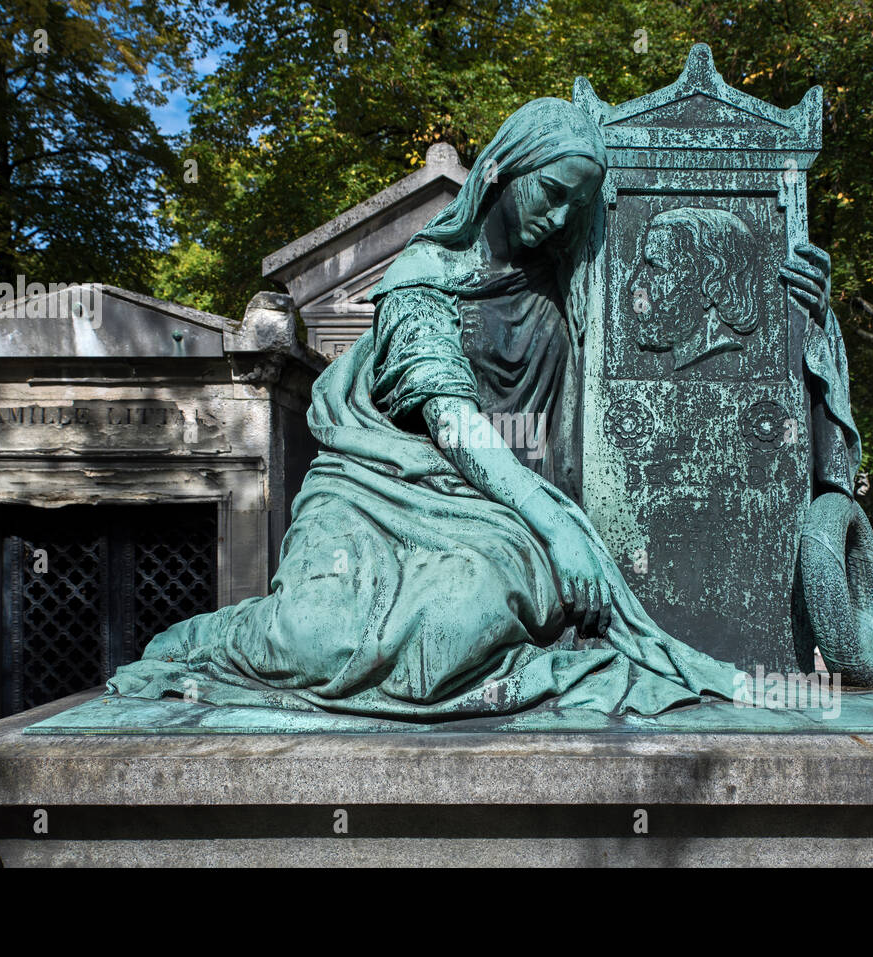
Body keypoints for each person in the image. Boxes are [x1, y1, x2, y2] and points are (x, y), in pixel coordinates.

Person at [107, 97, 751, 719]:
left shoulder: (575, 278)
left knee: (451, 627)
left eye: (576, 207)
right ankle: (216, 640)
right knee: (314, 635)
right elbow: (450, 419)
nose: (560, 219)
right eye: (553, 193)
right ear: (502, 170)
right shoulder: (423, 275)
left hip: (496, 511)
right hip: (375, 485)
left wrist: (802, 316)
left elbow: (696, 308)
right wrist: (556, 526)